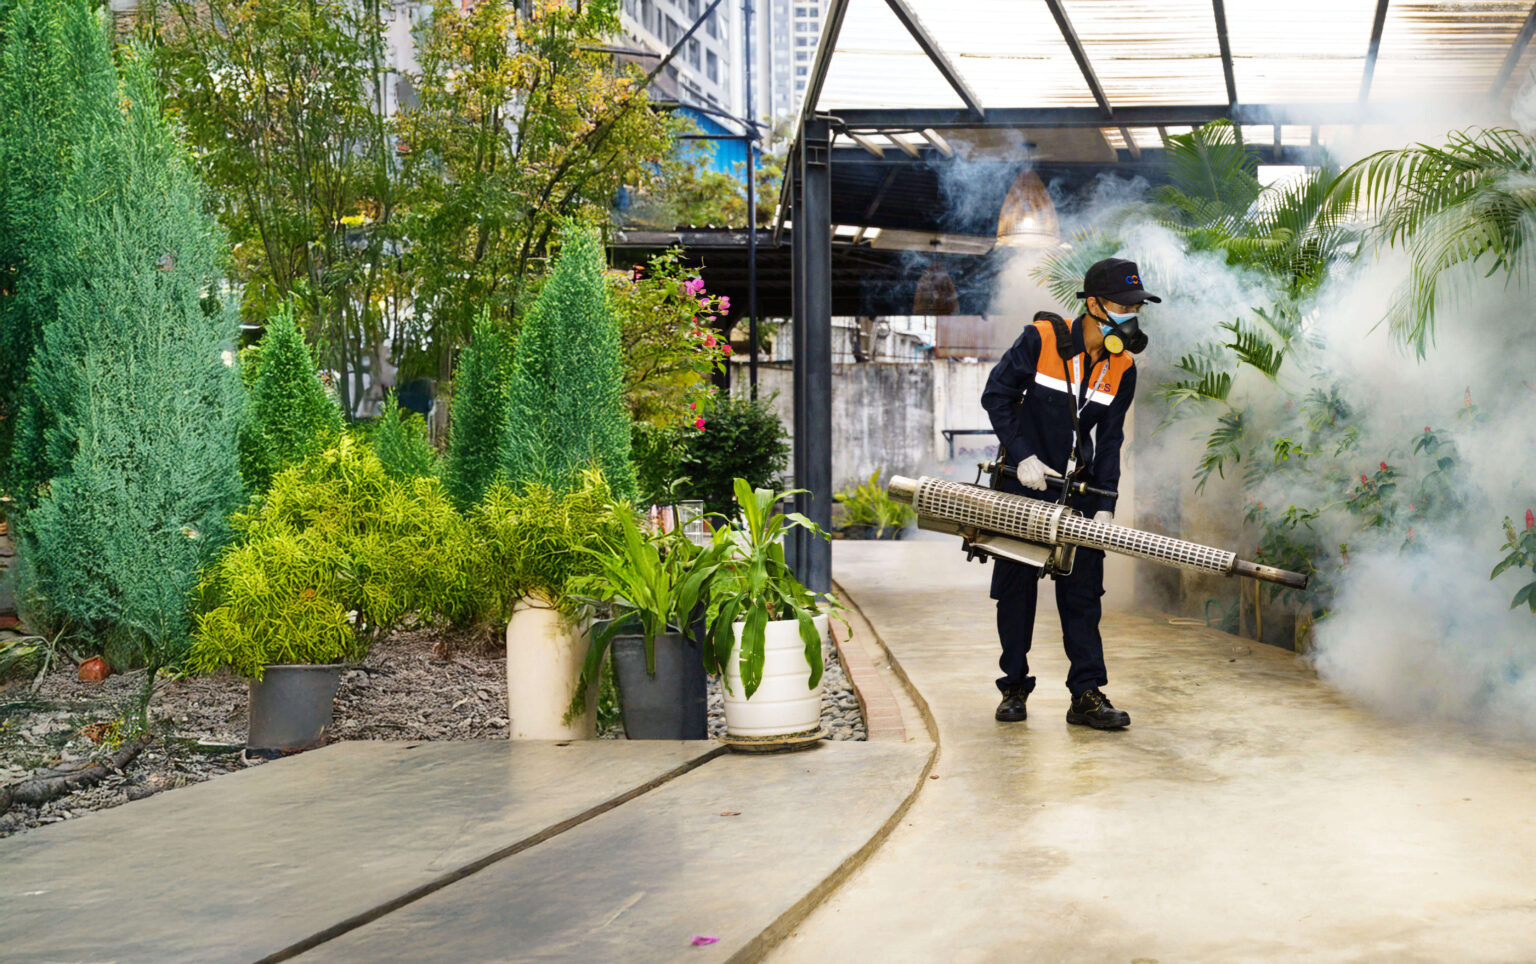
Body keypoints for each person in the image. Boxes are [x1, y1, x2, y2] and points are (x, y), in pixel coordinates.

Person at [979, 257, 1156, 730]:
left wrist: (1105, 503)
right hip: (1024, 485)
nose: (1130, 314)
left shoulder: (1123, 367)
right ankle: (1013, 687)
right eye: (1123, 304)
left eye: (1136, 306)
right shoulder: (1042, 341)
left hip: (1077, 491)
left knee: (1082, 594)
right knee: (1015, 590)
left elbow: (1113, 439)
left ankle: (1086, 695)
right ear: (1094, 304)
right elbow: (996, 396)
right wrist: (1021, 457)